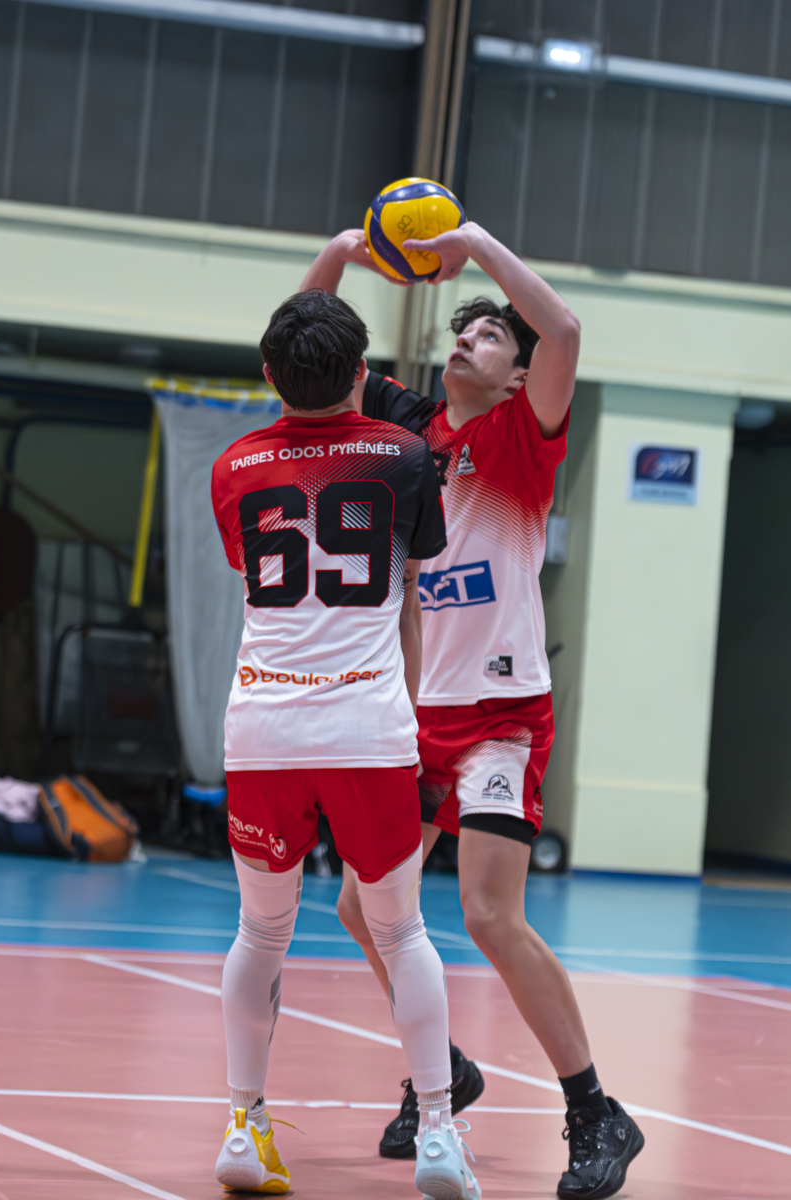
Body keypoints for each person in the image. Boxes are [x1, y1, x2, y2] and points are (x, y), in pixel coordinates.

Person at [298, 222, 645, 1200]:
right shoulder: (413, 432)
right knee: (361, 906)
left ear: (516, 377)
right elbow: (305, 350)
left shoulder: (523, 434)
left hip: (501, 712)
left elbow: (564, 330)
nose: (468, 340)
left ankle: (596, 1112)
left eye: (491, 337)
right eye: (464, 330)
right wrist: (343, 253)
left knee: (489, 913)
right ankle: (443, 1070)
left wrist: (474, 241)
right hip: (416, 715)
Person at [210, 288, 481, 1199]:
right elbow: (411, 584)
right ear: (363, 372)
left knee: (260, 931)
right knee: (402, 931)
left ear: (268, 375)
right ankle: (437, 1134)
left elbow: (255, 568)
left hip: (265, 726)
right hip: (368, 727)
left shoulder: (234, 466)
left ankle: (244, 1127)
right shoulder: (406, 457)